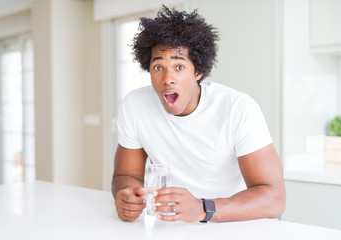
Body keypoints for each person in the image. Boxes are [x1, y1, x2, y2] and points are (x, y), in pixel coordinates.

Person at [112, 6, 285, 223]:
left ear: (198, 71)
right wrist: (128, 195)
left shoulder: (237, 108)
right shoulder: (134, 105)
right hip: (171, 226)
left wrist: (202, 209)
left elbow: (274, 198)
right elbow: (125, 175)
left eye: (179, 66)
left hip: (235, 224)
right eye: (158, 67)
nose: (167, 78)